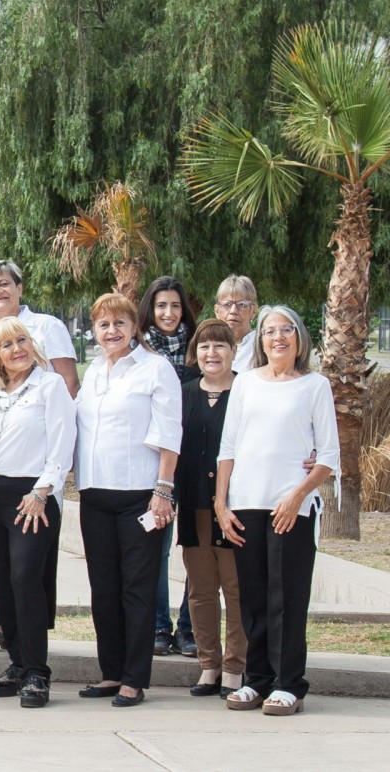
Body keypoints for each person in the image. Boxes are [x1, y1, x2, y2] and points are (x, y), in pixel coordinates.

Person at [217, 306, 339, 716]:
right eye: (270, 331)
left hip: (291, 507)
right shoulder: (246, 382)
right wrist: (221, 503)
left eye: (287, 329)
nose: (278, 337)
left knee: (286, 597)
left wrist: (297, 496)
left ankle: (289, 685)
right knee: (252, 597)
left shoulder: (315, 386)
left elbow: (329, 456)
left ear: (299, 338)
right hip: (245, 503)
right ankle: (257, 680)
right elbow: (228, 448)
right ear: (261, 340)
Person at [0, 259, 78, 654]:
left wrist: (45, 485)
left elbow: (67, 395)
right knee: (3, 574)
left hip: (33, 479)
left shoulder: (47, 333)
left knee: (27, 574)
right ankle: (10, 646)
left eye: (5, 283)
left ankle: (33, 659)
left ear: (20, 287)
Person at [75, 293, 181, 707]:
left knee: (137, 589)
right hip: (94, 494)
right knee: (103, 589)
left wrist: (163, 491)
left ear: (135, 327)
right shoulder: (93, 372)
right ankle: (111, 673)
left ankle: (134, 679)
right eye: (103, 324)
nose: (112, 331)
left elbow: (169, 434)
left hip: (141, 496)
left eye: (120, 323)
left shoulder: (155, 368)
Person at [174, 319, 245, 699]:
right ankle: (209, 665)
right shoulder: (183, 393)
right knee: (201, 591)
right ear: (195, 352)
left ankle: (234, 668)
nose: (211, 353)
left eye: (220, 346)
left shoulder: (247, 392)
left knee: (235, 590)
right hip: (194, 506)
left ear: (233, 351)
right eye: (204, 346)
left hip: (235, 508)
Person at [137, 275, 198, 657]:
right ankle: (159, 627)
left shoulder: (198, 352)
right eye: (161, 305)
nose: (169, 313)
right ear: (150, 309)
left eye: (175, 306)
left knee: (196, 550)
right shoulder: (139, 354)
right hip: (156, 468)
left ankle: (189, 628)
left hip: (195, 464)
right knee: (156, 549)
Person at [213, 274, 259, 373]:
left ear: (254, 310)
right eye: (227, 304)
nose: (233, 311)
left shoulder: (262, 345)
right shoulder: (208, 345)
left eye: (242, 304)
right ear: (217, 310)